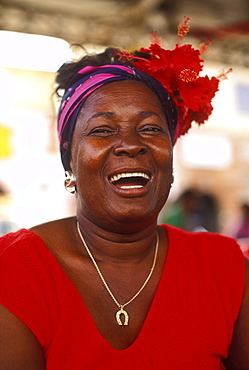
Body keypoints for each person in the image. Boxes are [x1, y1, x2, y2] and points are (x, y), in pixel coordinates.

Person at [0, 17, 248, 369]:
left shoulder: (225, 268)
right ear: (69, 159)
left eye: (150, 128)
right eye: (102, 130)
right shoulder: (15, 270)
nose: (131, 145)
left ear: (170, 157)